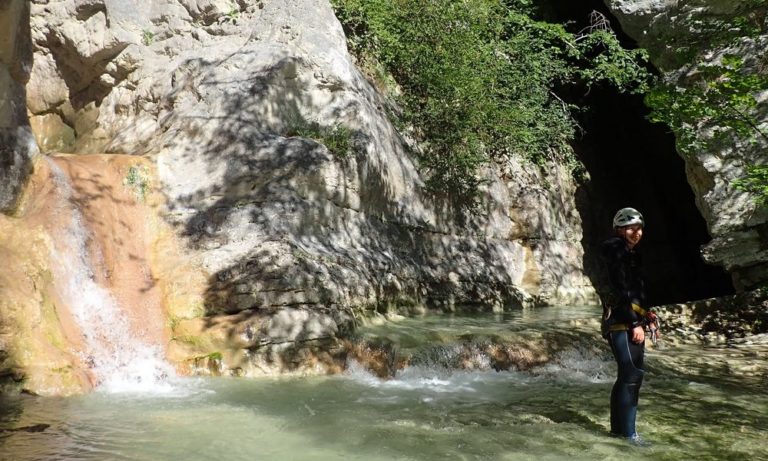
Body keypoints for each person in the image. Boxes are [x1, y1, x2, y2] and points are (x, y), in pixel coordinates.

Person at [599, 207, 658, 444]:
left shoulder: (629, 253)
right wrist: (634, 322)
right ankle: (629, 435)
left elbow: (634, 290)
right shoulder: (615, 248)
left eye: (640, 228)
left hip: (627, 319)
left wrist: (647, 314)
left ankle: (618, 432)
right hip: (622, 322)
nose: (638, 232)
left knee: (627, 376)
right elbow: (618, 288)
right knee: (632, 375)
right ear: (620, 229)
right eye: (632, 228)